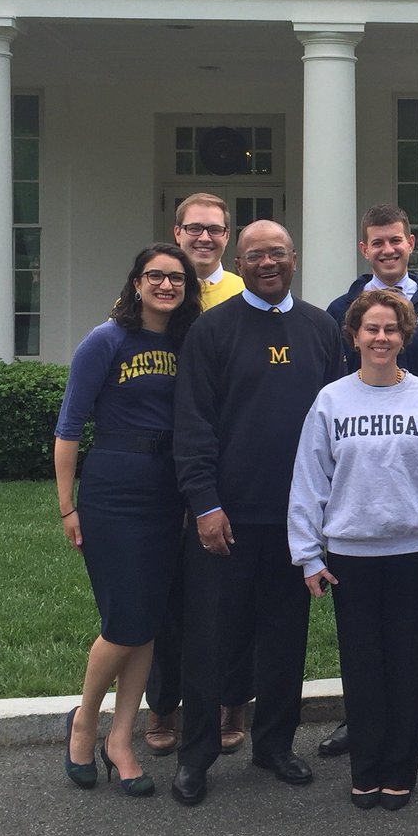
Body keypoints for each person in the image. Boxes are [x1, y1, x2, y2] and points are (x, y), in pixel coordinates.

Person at [171, 221, 344, 806]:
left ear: (294, 258)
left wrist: (326, 509)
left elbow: (336, 424)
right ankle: (196, 755)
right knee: (210, 641)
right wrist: (205, 503)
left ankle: (274, 745)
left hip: (296, 519)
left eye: (276, 254)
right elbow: (193, 423)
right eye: (254, 256)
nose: (267, 263)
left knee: (284, 639)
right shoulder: (211, 329)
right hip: (225, 518)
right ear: (239, 263)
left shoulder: (321, 329)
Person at [289, 289, 418, 811]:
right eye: (371, 328)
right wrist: (308, 554)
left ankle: (399, 769)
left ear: (404, 337)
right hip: (350, 556)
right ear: (354, 336)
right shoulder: (331, 401)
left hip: (414, 553)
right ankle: (365, 769)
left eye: (391, 329)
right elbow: (309, 481)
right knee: (362, 667)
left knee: (408, 666)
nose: (381, 338)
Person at [55, 243, 201, 796]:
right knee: (124, 622)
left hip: (168, 490)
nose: (166, 285)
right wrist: (67, 505)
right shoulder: (106, 340)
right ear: (136, 283)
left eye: (176, 278)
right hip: (114, 490)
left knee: (148, 624)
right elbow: (69, 426)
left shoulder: (186, 343)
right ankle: (83, 723)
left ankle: (120, 740)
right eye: (155, 276)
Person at [320, 203, 418, 760]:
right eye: (377, 242)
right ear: (365, 249)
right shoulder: (341, 309)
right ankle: (360, 716)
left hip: (417, 467)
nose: (387, 249)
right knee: (359, 627)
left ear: (410, 243)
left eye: (395, 240)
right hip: (360, 470)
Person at [145, 192, 248, 757]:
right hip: (163, 463)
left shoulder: (243, 292)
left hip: (227, 460)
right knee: (168, 593)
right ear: (177, 230)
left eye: (215, 229)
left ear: (227, 236)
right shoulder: (159, 290)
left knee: (231, 593)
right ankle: (164, 704)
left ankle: (233, 698)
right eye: (194, 228)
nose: (204, 237)